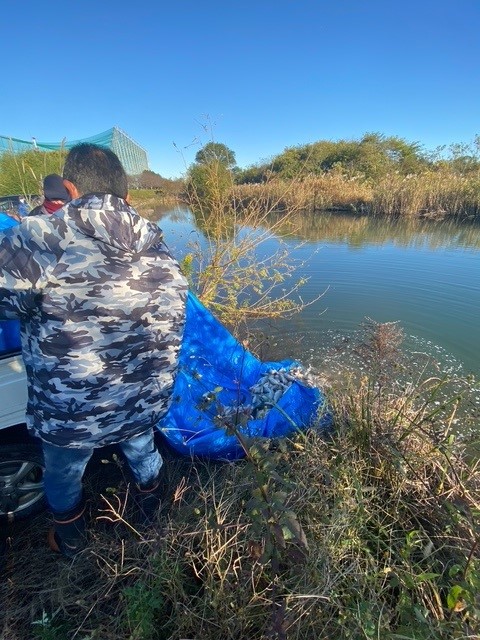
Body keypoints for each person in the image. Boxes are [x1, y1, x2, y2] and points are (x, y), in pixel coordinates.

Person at [0, 143, 188, 559]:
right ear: (129, 196)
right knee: (143, 450)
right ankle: (154, 516)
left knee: (64, 471)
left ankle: (71, 540)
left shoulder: (38, 238)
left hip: (72, 408)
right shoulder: (162, 250)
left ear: (69, 187)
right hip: (140, 397)